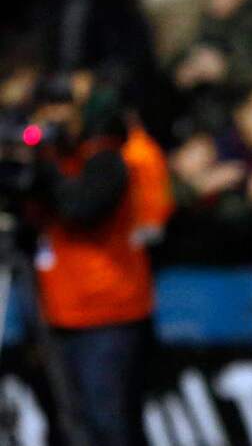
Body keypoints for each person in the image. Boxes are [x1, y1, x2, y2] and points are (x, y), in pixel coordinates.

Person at [28, 75, 172, 446]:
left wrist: (45, 167)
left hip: (109, 312)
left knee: (107, 422)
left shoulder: (110, 158)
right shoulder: (58, 156)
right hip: (62, 309)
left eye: (67, 108)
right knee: (73, 425)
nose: (57, 118)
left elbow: (82, 208)